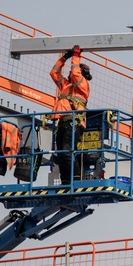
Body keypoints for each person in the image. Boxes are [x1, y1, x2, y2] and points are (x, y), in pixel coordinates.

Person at [50, 45, 92, 184]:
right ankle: (66, 181)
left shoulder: (83, 85)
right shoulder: (66, 86)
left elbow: (75, 74)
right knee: (61, 154)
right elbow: (54, 73)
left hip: (74, 122)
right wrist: (64, 58)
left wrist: (75, 56)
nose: (71, 72)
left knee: (67, 152)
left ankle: (76, 179)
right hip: (63, 122)